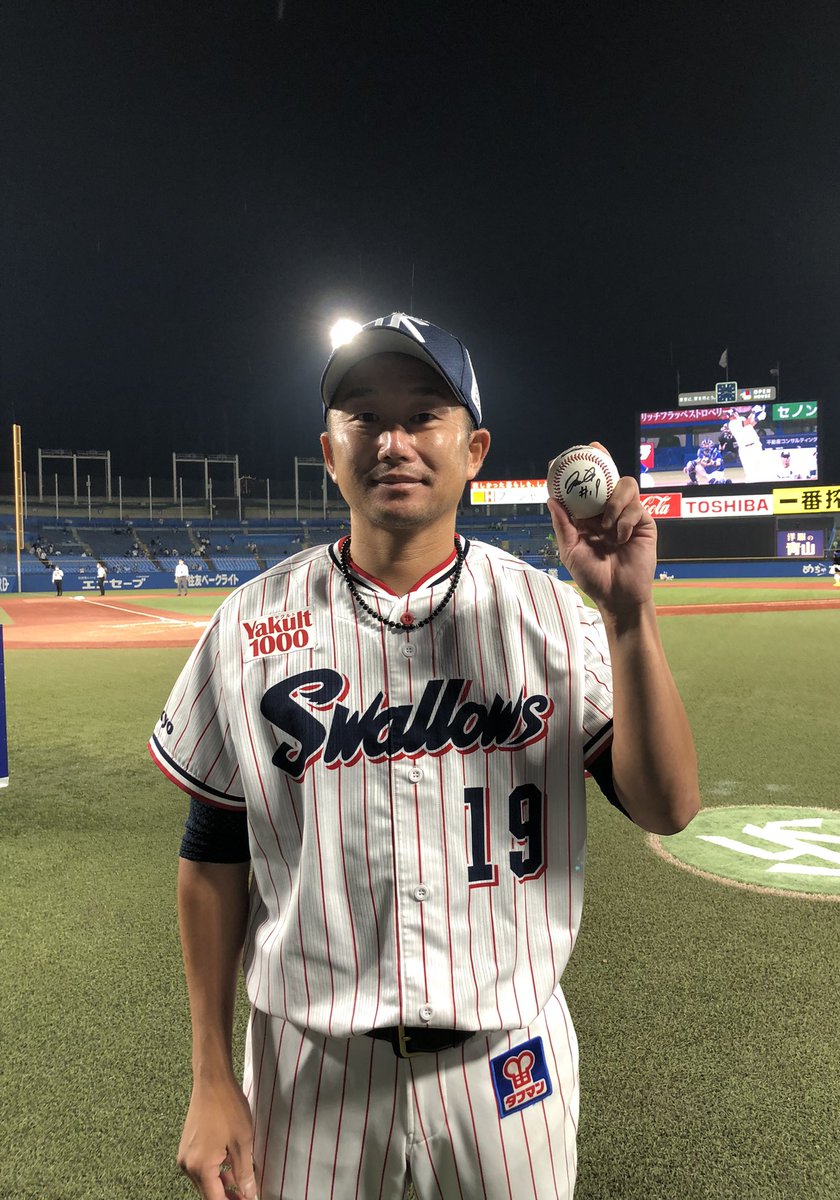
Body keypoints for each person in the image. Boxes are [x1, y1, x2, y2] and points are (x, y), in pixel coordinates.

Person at [150, 313, 700, 1200]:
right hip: (308, 1064)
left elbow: (667, 806)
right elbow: (212, 854)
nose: (393, 441)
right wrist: (211, 1073)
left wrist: (629, 615)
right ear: (330, 453)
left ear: (474, 450)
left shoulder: (553, 616)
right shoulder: (249, 626)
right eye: (365, 417)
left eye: (422, 416)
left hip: (508, 1061)